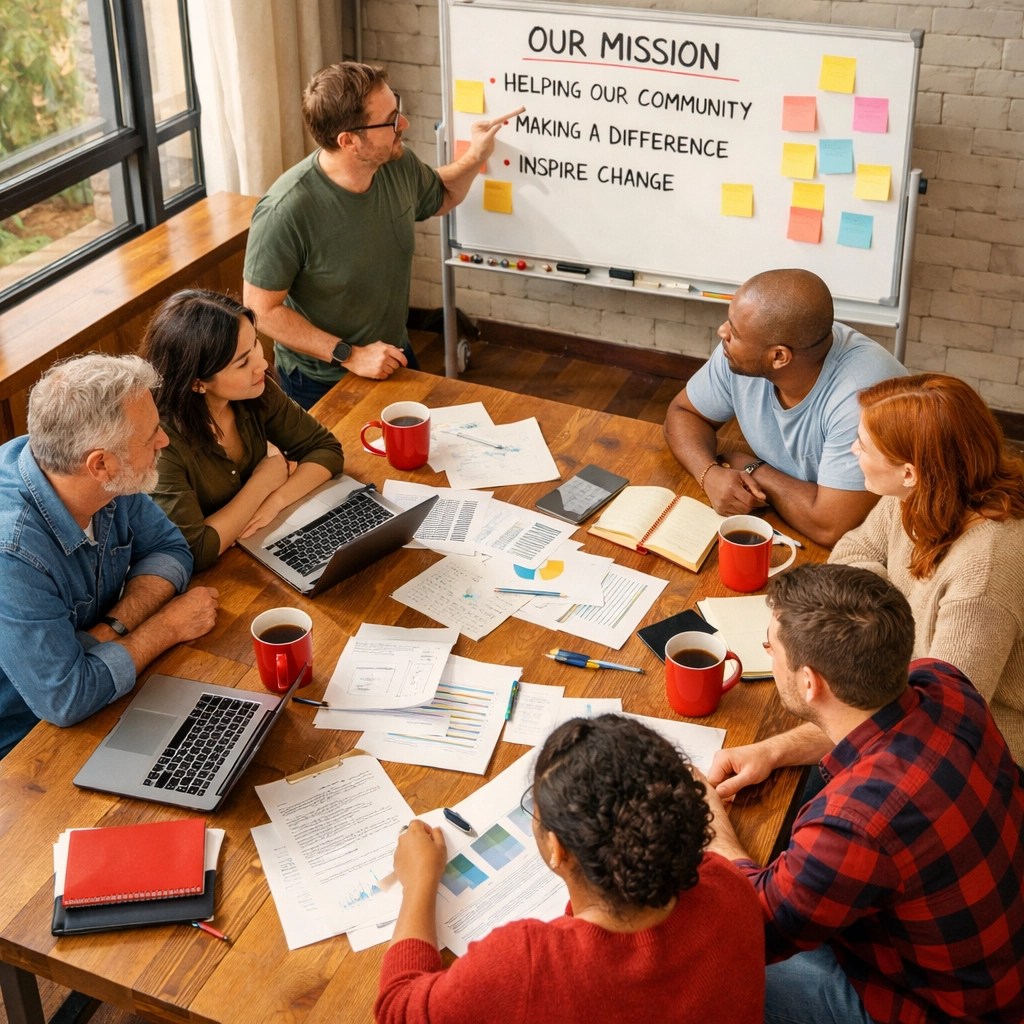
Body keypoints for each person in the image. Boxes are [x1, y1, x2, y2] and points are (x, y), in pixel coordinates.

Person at [703, 563, 1024, 1024]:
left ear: (809, 682)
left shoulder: (855, 822)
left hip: (938, 1008)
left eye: (770, 646)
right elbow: (862, 719)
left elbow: (751, 925)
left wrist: (708, 818)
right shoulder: (942, 682)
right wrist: (772, 750)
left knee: (706, 955)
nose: (768, 653)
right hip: (994, 962)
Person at [375, 714, 764, 1023]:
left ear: (557, 848)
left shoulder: (526, 964)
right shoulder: (729, 885)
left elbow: (397, 1009)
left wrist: (418, 883)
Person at [243, 61, 523, 408]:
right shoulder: (285, 210)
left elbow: (442, 193)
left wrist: (476, 154)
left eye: (397, 109)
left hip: (392, 356)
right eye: (390, 120)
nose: (403, 124)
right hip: (320, 380)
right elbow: (261, 310)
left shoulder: (395, 164)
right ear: (349, 141)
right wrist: (349, 354)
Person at [0, 354, 219, 760]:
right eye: (150, 436)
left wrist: (112, 628)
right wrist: (167, 626)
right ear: (100, 464)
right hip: (26, 745)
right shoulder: (11, 554)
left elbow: (169, 549)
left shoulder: (110, 480)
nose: (164, 441)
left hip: (104, 684)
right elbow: (66, 697)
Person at [830, 373, 1024, 763]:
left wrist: (875, 628)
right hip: (900, 692)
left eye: (863, 445)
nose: (852, 449)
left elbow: (941, 720)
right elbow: (849, 553)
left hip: (985, 755)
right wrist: (891, 617)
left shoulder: (982, 575)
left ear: (909, 471)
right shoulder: (920, 493)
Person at [663, 268, 907, 547]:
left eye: (734, 332)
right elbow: (683, 413)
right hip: (791, 518)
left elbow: (832, 528)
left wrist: (755, 470)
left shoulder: (861, 397)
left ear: (779, 356)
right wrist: (709, 474)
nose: (723, 332)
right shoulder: (741, 352)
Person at [141, 289, 345, 572]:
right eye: (242, 362)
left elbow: (326, 450)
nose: (261, 364)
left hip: (262, 542)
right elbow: (195, 550)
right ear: (198, 383)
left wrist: (275, 501)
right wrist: (262, 483)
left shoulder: (256, 390)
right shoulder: (160, 443)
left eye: (256, 344)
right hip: (217, 576)